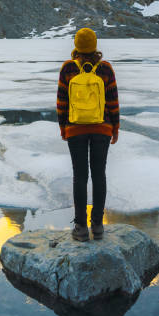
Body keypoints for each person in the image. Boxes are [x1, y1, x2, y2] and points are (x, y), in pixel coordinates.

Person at [57, 27, 119, 242]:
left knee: (80, 176)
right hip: (102, 129)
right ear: (95, 46)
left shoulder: (67, 69)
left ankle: (81, 228)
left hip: (75, 129)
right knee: (99, 175)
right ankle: (98, 227)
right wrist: (115, 127)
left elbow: (62, 102)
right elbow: (113, 101)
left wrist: (63, 127)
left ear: (76, 45)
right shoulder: (105, 69)